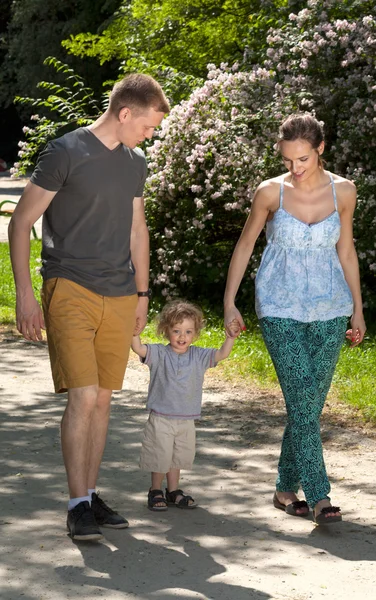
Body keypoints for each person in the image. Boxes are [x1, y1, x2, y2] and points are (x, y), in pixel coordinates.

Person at [8, 73, 170, 541]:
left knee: (102, 399)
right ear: (124, 113)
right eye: (147, 126)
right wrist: (24, 293)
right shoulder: (65, 153)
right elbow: (21, 223)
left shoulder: (136, 162)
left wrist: (142, 295)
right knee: (82, 396)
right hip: (69, 286)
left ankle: (91, 494)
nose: (149, 135)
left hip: (120, 293)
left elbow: (137, 229)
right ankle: (76, 502)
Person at [223, 113, 366, 525]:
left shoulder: (344, 191)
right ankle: (320, 495)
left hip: (331, 306)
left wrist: (357, 307)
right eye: (288, 160)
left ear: (320, 149)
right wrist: (230, 302)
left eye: (302, 158)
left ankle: (286, 488)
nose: (295, 168)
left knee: (307, 406)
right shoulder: (271, 193)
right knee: (303, 403)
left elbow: (347, 250)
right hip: (279, 304)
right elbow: (245, 245)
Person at [131, 300, 241, 511]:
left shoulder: (198, 356)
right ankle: (155, 490)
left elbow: (221, 354)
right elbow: (137, 347)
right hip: (161, 417)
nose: (182, 336)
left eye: (188, 331)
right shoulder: (159, 354)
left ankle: (173, 491)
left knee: (177, 457)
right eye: (176, 330)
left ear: (195, 333)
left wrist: (230, 338)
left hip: (186, 419)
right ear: (166, 331)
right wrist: (134, 332)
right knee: (160, 456)